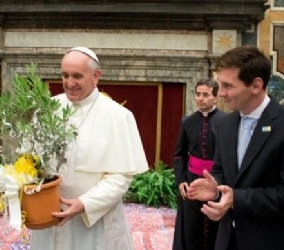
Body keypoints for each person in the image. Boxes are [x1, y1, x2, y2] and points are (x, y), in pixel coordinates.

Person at [29, 47, 149, 250]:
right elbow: (31, 162)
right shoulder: (47, 108)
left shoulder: (118, 116)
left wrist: (85, 203)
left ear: (96, 76)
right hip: (49, 216)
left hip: (94, 221)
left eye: (77, 76)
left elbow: (120, 177)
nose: (69, 83)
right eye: (65, 75)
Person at [187, 45, 284, 250]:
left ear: (256, 85)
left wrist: (236, 199)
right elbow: (221, 171)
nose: (220, 93)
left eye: (228, 86)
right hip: (227, 240)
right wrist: (216, 190)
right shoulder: (226, 124)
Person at [172, 78, 225, 250]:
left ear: (215, 98)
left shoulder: (227, 122)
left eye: (206, 95)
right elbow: (179, 155)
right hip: (192, 182)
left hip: (217, 183)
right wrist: (181, 180)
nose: (200, 98)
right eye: (198, 94)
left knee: (215, 229)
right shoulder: (187, 122)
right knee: (190, 228)